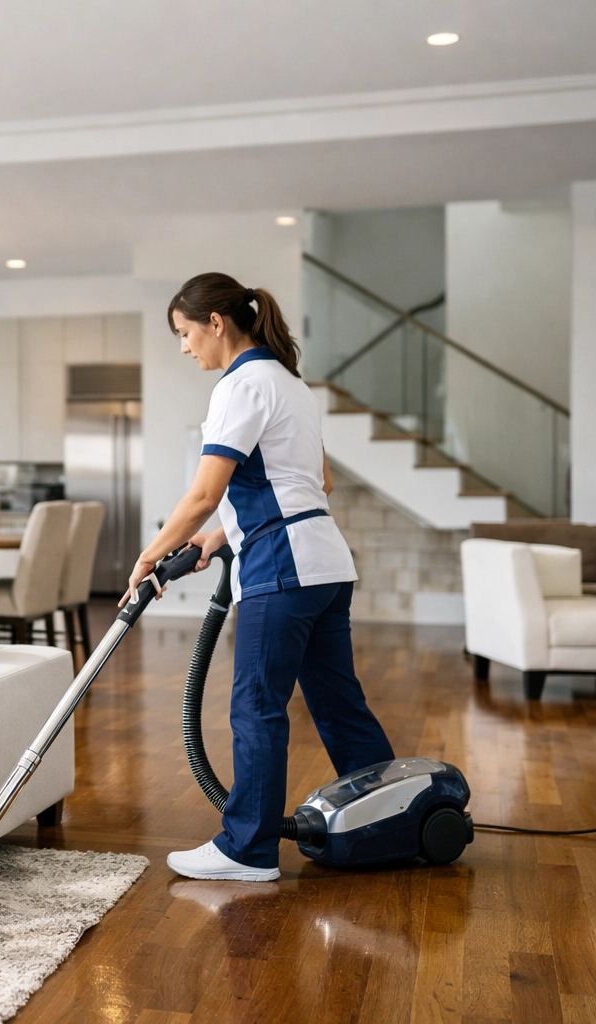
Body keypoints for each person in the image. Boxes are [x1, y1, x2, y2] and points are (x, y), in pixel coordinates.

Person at [122, 272, 395, 882]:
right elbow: (317, 483)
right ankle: (387, 821)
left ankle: (247, 850)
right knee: (338, 704)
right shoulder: (292, 384)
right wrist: (220, 536)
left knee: (256, 706)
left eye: (185, 332)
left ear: (216, 323)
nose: (184, 347)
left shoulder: (240, 385)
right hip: (325, 564)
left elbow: (203, 495)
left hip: (282, 568)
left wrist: (147, 557)